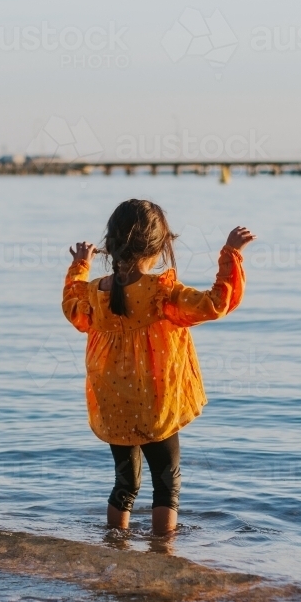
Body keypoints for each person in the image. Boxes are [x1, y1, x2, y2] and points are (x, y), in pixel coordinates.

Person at [62, 199, 255, 536]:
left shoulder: (96, 293)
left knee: (125, 482)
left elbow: (72, 309)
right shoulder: (159, 293)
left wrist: (80, 266)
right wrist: (230, 254)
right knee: (166, 485)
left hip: (113, 402)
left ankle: (114, 545)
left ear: (111, 244)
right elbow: (216, 303)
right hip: (155, 403)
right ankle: (163, 553)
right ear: (160, 246)